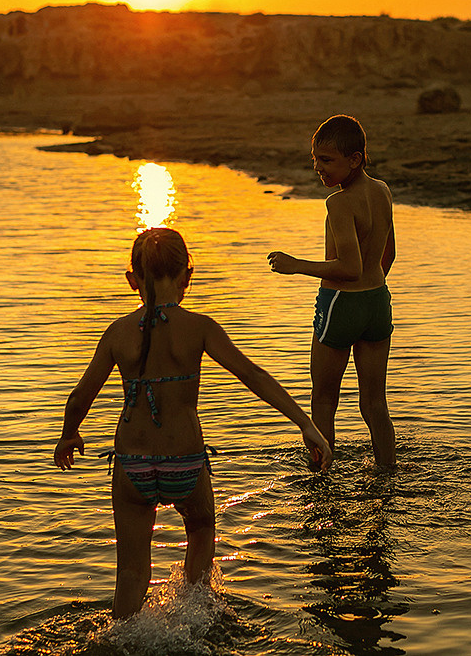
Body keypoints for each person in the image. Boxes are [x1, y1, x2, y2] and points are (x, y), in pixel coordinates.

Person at [53, 227, 332, 618]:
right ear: (188, 276)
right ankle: (194, 616)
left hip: (132, 466)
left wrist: (69, 435)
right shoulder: (200, 327)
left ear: (133, 280)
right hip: (184, 461)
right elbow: (253, 376)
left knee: (131, 572)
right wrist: (305, 422)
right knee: (200, 530)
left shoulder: (117, 332)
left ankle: (124, 639)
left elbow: (80, 395)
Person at [267, 114, 397, 469]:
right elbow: (389, 253)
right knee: (375, 404)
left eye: (327, 161)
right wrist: (371, 287)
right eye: (315, 160)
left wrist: (296, 265)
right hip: (377, 302)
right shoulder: (383, 191)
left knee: (323, 400)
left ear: (355, 159)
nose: (318, 169)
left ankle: (320, 481)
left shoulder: (338, 203)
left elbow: (349, 267)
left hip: (341, 304)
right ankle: (387, 475)